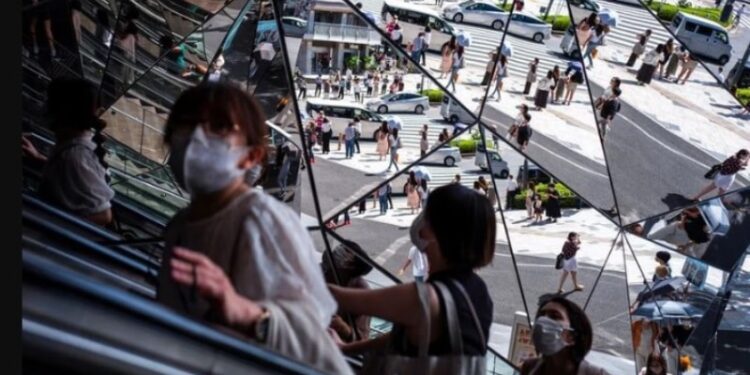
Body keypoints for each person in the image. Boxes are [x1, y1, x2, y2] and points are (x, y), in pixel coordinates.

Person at [156, 83, 350, 374]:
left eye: (218, 128)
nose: (195, 138)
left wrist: (245, 312)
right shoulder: (180, 226)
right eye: (184, 125)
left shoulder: (262, 221)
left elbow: (312, 326)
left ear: (251, 156)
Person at [331, 184, 495, 368]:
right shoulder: (479, 292)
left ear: (433, 230)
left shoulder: (424, 298)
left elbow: (339, 297)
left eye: (428, 218)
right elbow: (407, 334)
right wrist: (346, 348)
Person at [22, 78, 114, 227]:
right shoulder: (75, 149)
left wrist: (49, 224)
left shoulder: (75, 156)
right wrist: (39, 159)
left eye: (49, 102)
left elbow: (103, 215)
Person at [521, 297, 608, 374]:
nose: (543, 321)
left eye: (554, 316)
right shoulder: (528, 367)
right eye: (541, 316)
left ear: (572, 337)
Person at [322, 241, 373, 344]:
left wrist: (342, 327)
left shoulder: (361, 292)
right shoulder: (319, 272)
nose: (327, 271)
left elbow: (362, 340)